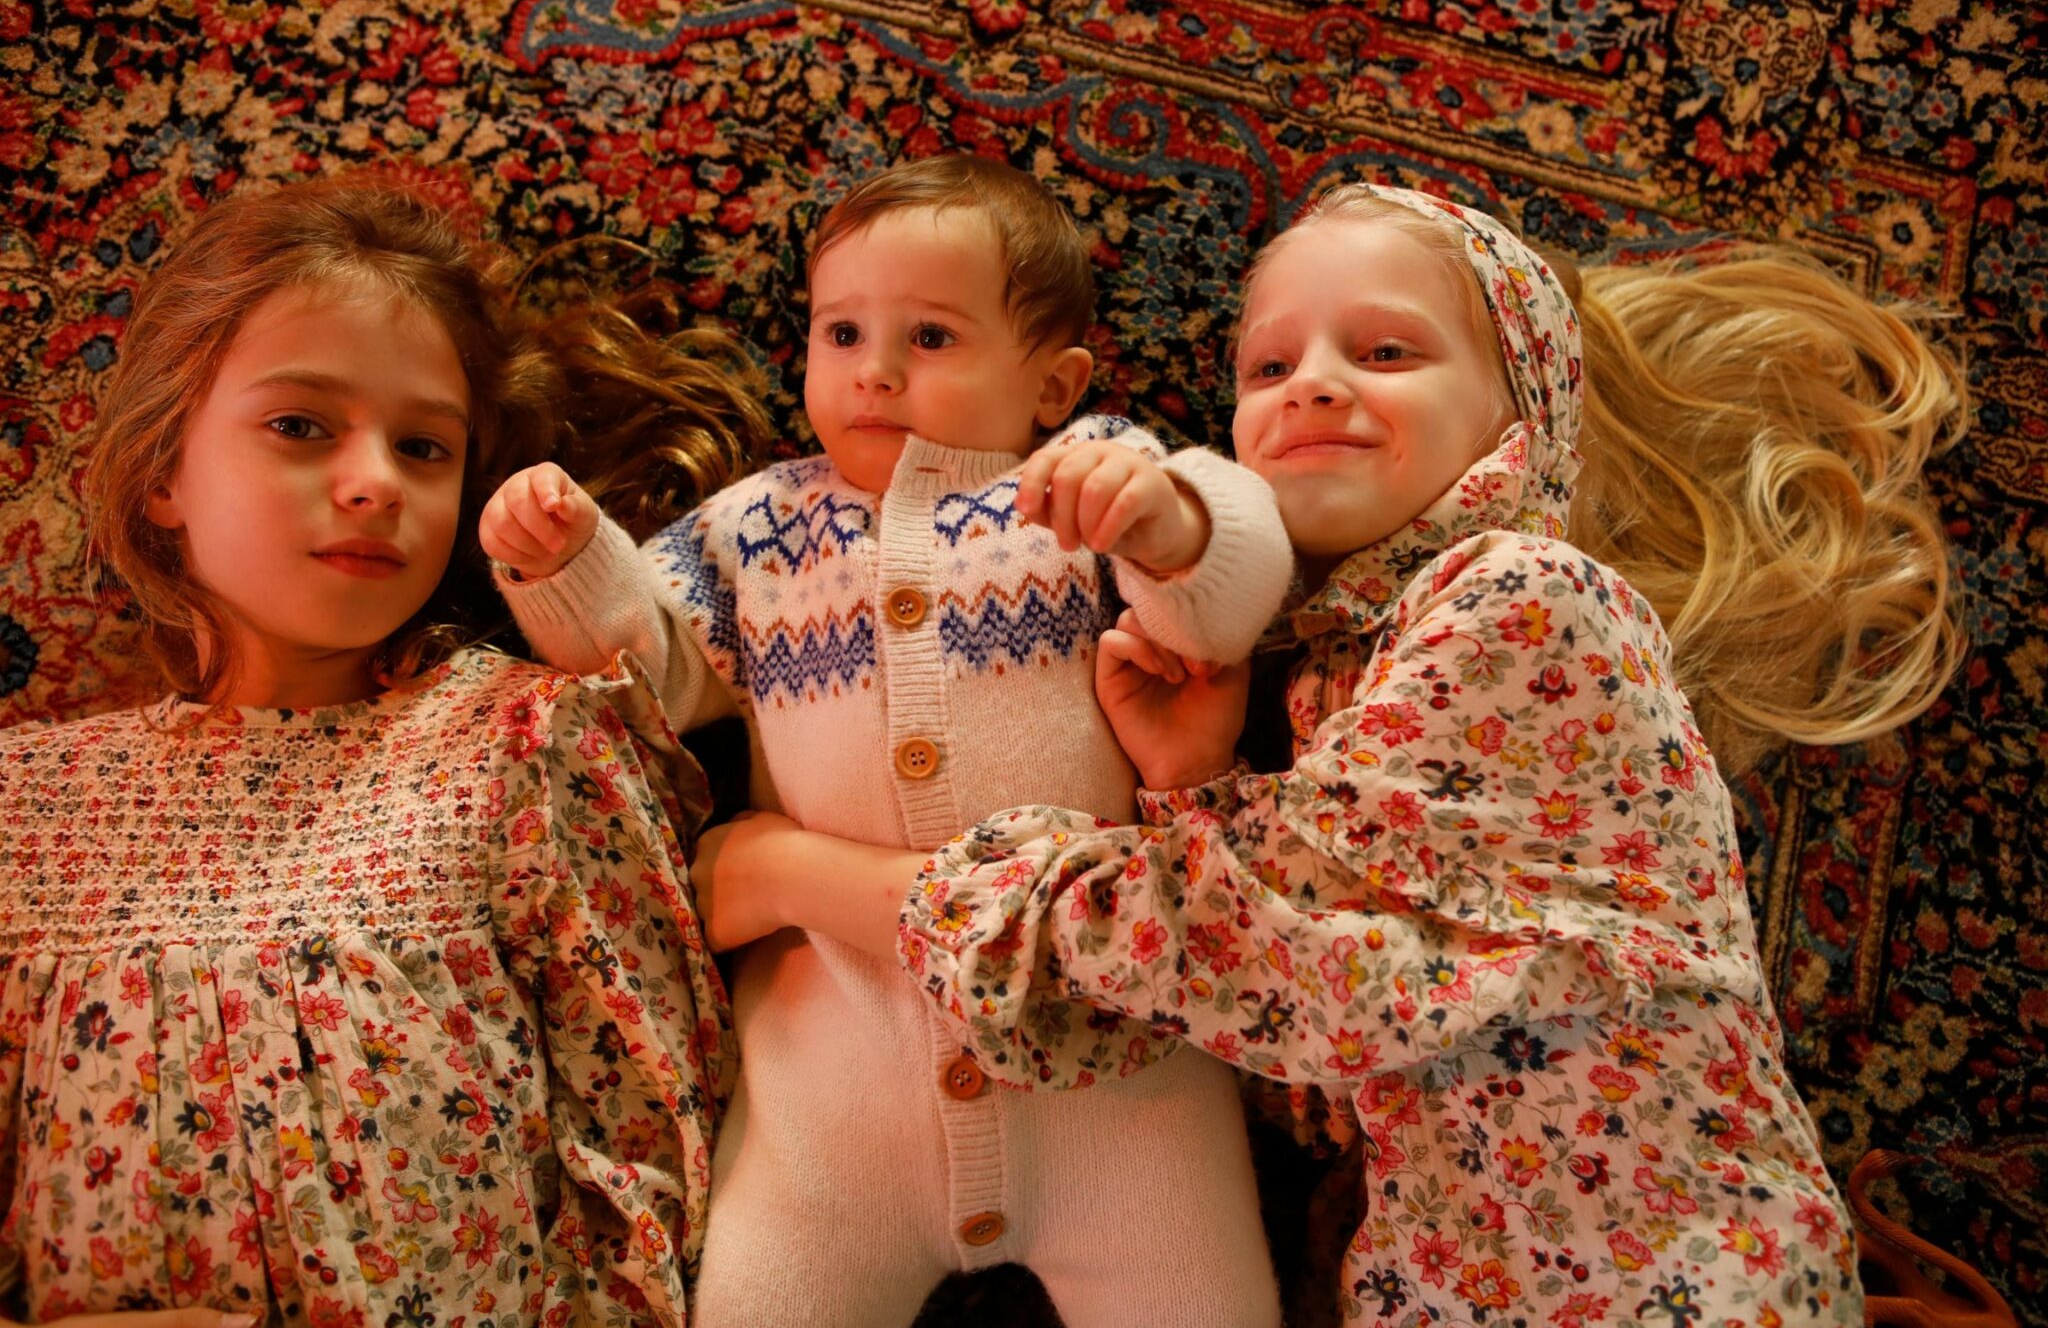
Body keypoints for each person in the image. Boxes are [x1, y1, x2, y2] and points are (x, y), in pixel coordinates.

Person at [688, 182, 1968, 1327]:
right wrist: (1194, 790)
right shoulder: (1341, 662)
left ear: (1525, 408)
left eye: (1384, 350)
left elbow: (1266, 957)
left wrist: (796, 874)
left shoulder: (1525, 597)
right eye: (1262, 367)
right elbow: (1345, 949)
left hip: (1670, 1279)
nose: (1305, 384)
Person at [481, 154, 1296, 1327]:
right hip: (829, 1088)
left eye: (929, 338)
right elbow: (645, 675)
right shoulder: (760, 527)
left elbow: (1227, 603)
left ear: (1053, 382)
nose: (871, 370)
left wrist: (1169, 524)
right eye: (840, 331)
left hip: (1123, 1081)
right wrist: (563, 561)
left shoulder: (1082, 479)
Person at [0, 177, 772, 1326]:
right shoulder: (27, 807)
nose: (373, 481)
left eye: (422, 447)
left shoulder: (527, 743)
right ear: (163, 471)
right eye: (301, 424)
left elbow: (646, 1150)